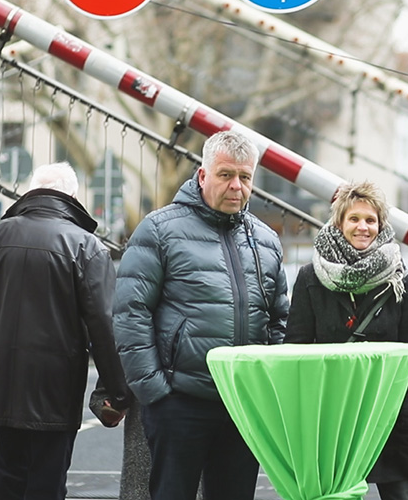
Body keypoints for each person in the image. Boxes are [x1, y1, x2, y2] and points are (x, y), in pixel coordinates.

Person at [113, 130, 290, 500]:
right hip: (180, 402)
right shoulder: (160, 229)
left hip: (244, 404)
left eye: (245, 177)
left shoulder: (266, 240)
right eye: (226, 174)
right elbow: (130, 313)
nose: (236, 186)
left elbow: (278, 320)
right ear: (203, 175)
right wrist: (156, 392)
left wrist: (269, 390)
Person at [0, 162, 131, 500]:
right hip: (57, 384)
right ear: (72, 197)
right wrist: (117, 390)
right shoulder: (86, 246)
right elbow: (103, 325)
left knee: (5, 470)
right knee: (48, 477)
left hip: (2, 379)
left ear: (29, 192)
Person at [285, 181, 408, 500]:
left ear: (381, 225)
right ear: (339, 223)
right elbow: (295, 351)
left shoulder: (402, 282)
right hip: (330, 424)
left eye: (370, 220)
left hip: (389, 420)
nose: (363, 226)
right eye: (354, 219)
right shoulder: (311, 278)